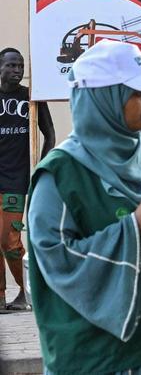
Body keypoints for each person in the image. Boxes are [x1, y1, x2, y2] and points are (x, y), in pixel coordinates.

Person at [26, 41, 141, 373]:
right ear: (105, 99)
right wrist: (134, 228)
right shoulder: (62, 173)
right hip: (94, 355)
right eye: (137, 94)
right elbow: (53, 257)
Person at [0, 47, 54, 311]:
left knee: (10, 241)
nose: (17, 70)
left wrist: (41, 168)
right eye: (11, 65)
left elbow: (50, 135)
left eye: (20, 66)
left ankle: (29, 292)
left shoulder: (32, 97)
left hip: (16, 180)